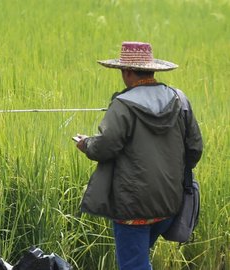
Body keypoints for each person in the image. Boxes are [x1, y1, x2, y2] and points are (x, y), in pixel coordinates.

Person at [74, 41, 203, 270]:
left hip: (134, 209)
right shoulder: (179, 99)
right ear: (152, 69)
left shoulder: (123, 105)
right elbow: (194, 149)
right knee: (140, 261)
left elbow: (105, 147)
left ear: (127, 72)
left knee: (134, 266)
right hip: (169, 203)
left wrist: (86, 144)